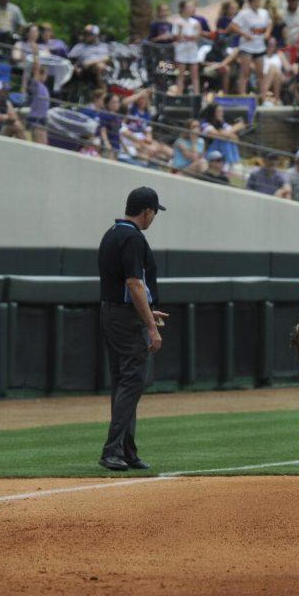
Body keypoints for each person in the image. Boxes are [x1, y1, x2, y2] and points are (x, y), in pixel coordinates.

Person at [97, 188, 168, 471]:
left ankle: (126, 450)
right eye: (154, 213)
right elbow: (134, 284)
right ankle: (113, 449)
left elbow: (122, 286)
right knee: (134, 379)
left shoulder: (112, 233)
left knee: (123, 381)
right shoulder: (132, 237)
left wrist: (147, 311)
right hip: (126, 319)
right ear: (147, 211)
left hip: (112, 312)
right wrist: (151, 326)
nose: (153, 218)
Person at [231, 0, 272, 95]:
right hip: (247, 47)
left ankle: (262, 96)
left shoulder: (264, 13)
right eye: (255, 1)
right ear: (250, 2)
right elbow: (233, 26)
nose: (257, 3)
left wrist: (267, 33)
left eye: (259, 1)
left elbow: (269, 23)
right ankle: (243, 94)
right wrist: (244, 34)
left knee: (260, 73)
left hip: (259, 46)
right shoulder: (244, 14)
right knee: (245, 72)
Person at [199, 102, 244, 168]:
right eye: (218, 112)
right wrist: (231, 131)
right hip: (209, 153)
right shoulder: (205, 124)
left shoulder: (222, 123)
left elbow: (236, 139)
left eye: (222, 111)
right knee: (223, 140)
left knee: (228, 139)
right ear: (212, 113)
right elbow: (216, 135)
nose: (221, 114)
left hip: (221, 152)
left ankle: (235, 163)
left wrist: (226, 133)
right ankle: (230, 163)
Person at [172, 0, 203, 95]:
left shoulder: (195, 22)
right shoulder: (177, 21)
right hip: (181, 51)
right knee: (181, 75)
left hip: (192, 50)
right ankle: (179, 94)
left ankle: (196, 95)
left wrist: (196, 32)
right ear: (183, 9)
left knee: (194, 74)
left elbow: (197, 38)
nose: (191, 9)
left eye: (192, 7)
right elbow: (177, 38)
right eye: (189, 7)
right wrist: (181, 30)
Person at [259, 36, 294, 103]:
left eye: (273, 44)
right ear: (266, 44)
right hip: (264, 76)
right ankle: (276, 100)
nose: (272, 46)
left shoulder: (279, 54)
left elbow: (287, 68)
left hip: (279, 77)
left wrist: (294, 67)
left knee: (274, 69)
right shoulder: (261, 55)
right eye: (270, 44)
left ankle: (263, 98)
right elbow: (254, 66)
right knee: (274, 69)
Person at [24, 58, 50, 144]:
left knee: (44, 144)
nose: (46, 76)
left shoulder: (44, 87)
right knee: (39, 143)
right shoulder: (36, 85)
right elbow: (36, 68)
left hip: (42, 120)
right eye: (45, 74)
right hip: (36, 119)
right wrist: (36, 53)